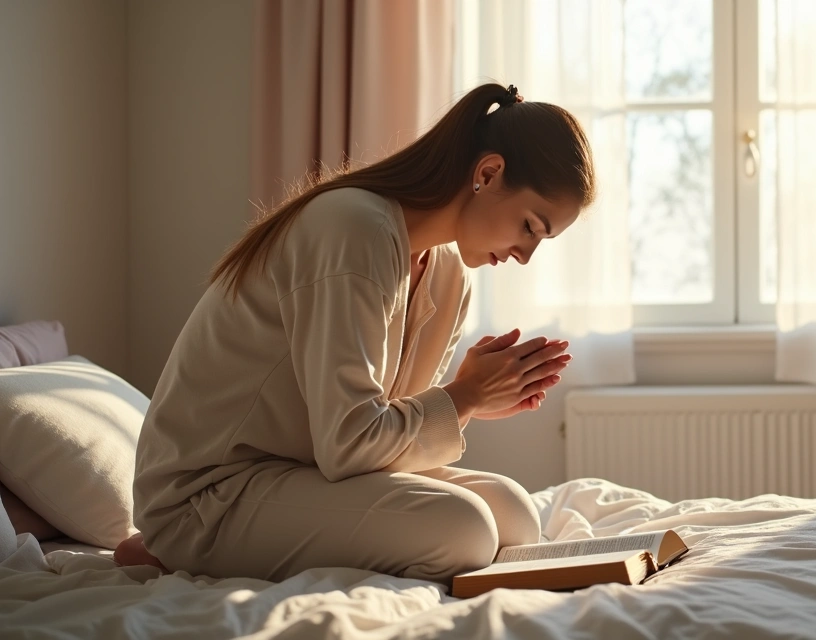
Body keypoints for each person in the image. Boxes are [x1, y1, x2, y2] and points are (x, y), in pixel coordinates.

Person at [113, 83, 593, 584]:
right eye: (531, 227)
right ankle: (170, 549)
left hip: (306, 470)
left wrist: (473, 400)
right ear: (488, 173)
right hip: (210, 493)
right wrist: (462, 397)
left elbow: (374, 443)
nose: (525, 255)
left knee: (515, 516)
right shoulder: (350, 228)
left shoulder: (450, 275)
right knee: (466, 530)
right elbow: (350, 446)